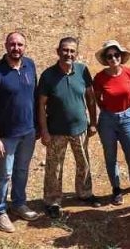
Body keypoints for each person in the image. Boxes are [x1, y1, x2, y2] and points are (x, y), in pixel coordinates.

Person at [36, 37, 102, 217]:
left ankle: (85, 193)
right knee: (54, 167)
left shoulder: (82, 71)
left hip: (80, 128)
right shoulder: (48, 76)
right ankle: (52, 201)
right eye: (65, 50)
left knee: (84, 163)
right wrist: (44, 131)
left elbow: (90, 98)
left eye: (72, 51)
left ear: (76, 53)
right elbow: (41, 105)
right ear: (58, 51)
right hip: (56, 131)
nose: (68, 54)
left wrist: (93, 123)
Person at [0, 31, 40, 233]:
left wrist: (38, 126)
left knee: (22, 170)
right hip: (6, 135)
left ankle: (18, 203)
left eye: (20, 44)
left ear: (25, 47)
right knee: (4, 174)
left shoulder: (30, 65)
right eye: (12, 44)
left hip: (28, 131)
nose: (16, 48)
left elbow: (34, 97)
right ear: (6, 46)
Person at [92, 39, 130, 204]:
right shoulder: (100, 78)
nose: (113, 58)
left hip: (127, 118)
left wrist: (124, 108)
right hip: (107, 120)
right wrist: (106, 109)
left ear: (120, 56)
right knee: (110, 156)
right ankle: (116, 188)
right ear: (105, 59)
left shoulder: (129, 73)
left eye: (116, 55)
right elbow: (98, 98)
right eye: (109, 56)